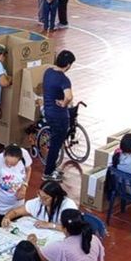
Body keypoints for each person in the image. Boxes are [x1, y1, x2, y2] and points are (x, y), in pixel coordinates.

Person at [41, 50, 76, 179]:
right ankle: (48, 172)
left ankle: (52, 167)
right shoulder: (64, 79)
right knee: (56, 144)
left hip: (48, 111)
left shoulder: (48, 72)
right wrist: (64, 103)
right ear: (67, 65)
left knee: (55, 141)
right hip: (59, 116)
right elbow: (69, 96)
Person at [1, 178, 78, 231]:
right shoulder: (39, 201)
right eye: (40, 196)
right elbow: (16, 212)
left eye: (46, 198)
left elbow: (73, 228)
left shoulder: (68, 205)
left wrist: (49, 225)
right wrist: (7, 217)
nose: (41, 200)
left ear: (56, 198)